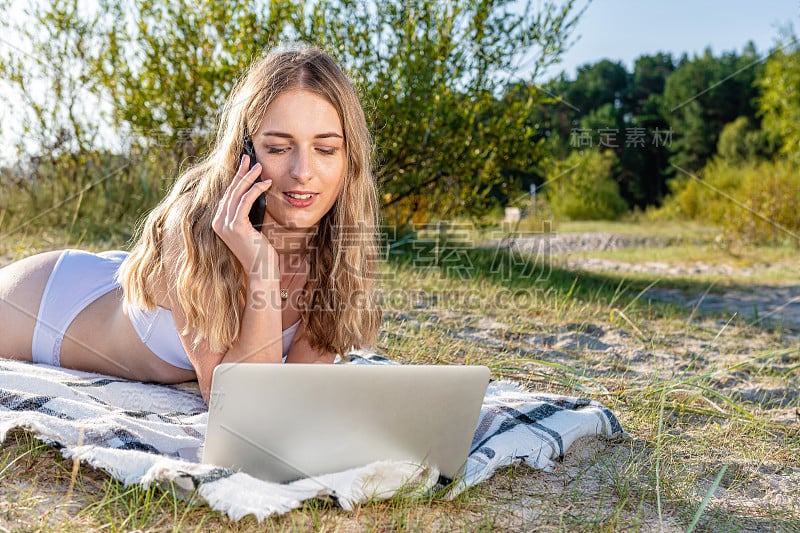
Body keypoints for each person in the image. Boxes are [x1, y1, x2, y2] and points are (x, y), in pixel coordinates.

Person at [0, 46, 382, 404]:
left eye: (326, 150)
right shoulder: (193, 225)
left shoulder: (336, 246)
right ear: (244, 153)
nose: (303, 172)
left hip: (118, 282)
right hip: (45, 306)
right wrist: (262, 269)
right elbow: (237, 405)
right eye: (279, 148)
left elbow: (291, 401)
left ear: (349, 159)